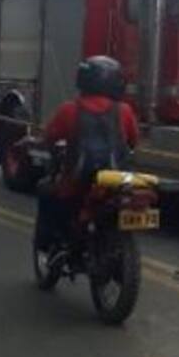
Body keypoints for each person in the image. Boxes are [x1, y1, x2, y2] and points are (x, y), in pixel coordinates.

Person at [33, 56, 140, 261]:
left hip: (77, 180)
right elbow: (133, 141)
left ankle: (50, 246)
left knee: (46, 190)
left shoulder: (69, 109)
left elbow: (49, 138)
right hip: (116, 180)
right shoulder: (124, 111)